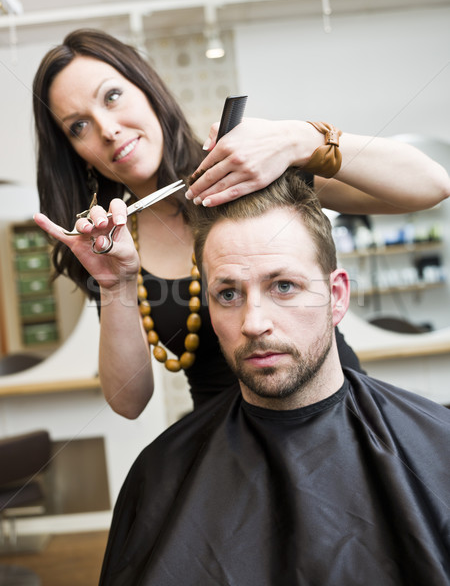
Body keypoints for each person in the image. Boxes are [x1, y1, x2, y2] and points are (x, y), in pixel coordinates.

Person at [32, 29, 450, 419]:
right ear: (74, 151)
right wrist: (114, 283)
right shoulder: (110, 245)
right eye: (78, 126)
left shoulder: (252, 170)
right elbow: (129, 402)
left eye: (112, 96)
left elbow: (431, 185)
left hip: (336, 421)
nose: (107, 129)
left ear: (147, 90)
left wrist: (302, 139)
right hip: (225, 456)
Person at [99, 170, 450, 585]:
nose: (254, 323)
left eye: (284, 286)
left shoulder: (437, 446)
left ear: (336, 297)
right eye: (228, 294)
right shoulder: (159, 477)